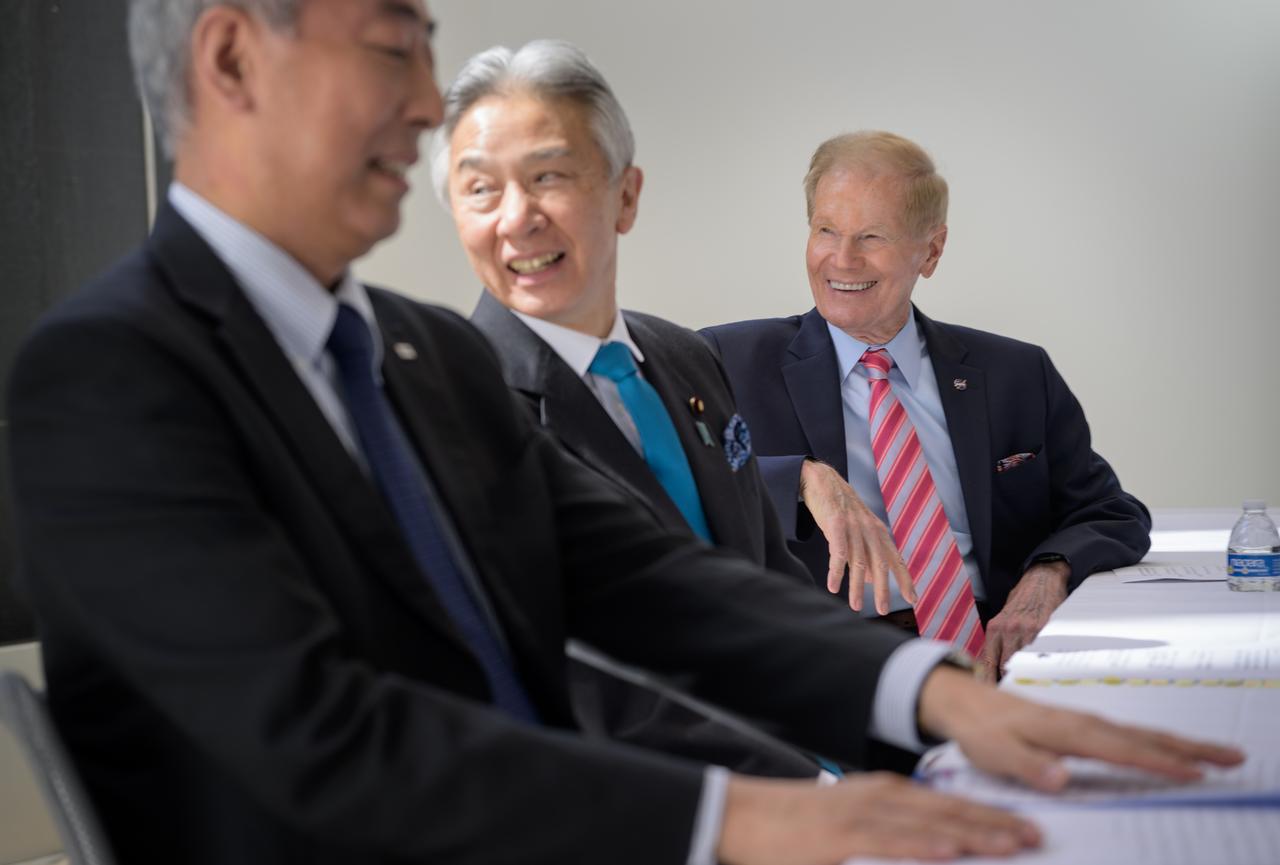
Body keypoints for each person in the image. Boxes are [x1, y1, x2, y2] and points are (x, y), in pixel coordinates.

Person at [7, 5, 1238, 865]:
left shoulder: (413, 350)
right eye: (392, 44)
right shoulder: (114, 372)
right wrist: (751, 817)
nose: (428, 104)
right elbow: (317, 740)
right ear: (232, 58)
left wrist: (931, 696)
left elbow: (649, 581)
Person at [436, 40, 900, 776]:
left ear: (626, 195)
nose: (517, 218)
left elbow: (768, 575)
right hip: (667, 798)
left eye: (548, 177)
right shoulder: (455, 405)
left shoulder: (685, 356)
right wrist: (810, 790)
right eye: (481, 190)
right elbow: (586, 683)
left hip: (812, 759)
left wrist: (902, 712)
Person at [702, 131, 1152, 676]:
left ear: (932, 251)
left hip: (995, 660)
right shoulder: (725, 360)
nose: (842, 259)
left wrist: (1046, 574)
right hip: (821, 672)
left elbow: (1108, 511)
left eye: (871, 236)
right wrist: (801, 479)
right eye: (826, 230)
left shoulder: (1014, 373)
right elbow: (664, 486)